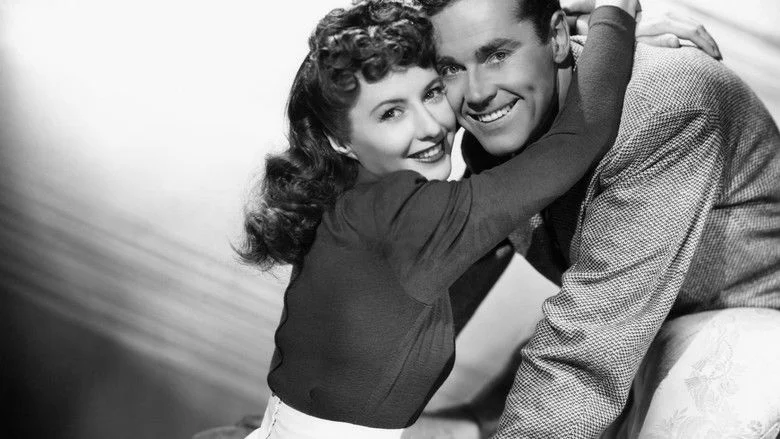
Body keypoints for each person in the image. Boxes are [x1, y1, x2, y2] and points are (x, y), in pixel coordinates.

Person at [234, 0, 639, 437]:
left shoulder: (349, 192)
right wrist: (615, 13)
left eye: (431, 93)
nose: (429, 127)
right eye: (391, 113)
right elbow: (580, 137)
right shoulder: (410, 216)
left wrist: (554, 33)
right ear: (340, 139)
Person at [411, 0, 780, 437]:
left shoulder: (664, 108)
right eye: (451, 68)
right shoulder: (501, 129)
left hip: (740, 335)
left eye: (497, 55)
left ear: (557, 39)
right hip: (629, 326)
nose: (476, 94)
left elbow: (588, 349)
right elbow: (444, 281)